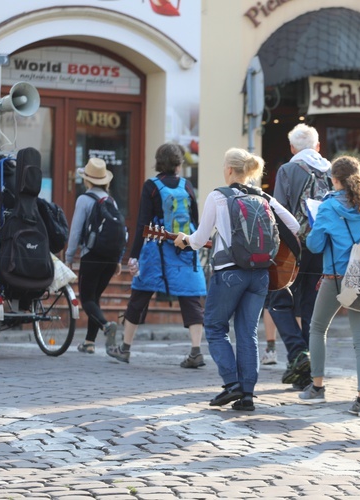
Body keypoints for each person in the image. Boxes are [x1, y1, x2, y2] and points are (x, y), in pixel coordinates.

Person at [174, 148, 299, 411]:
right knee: (247, 333)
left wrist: (184, 239)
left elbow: (198, 240)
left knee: (215, 326)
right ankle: (247, 396)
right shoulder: (263, 197)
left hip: (229, 272)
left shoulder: (218, 197)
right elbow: (294, 226)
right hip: (261, 274)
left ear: (229, 169)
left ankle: (231, 383)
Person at [106, 143, 207, 365]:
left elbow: (143, 222)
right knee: (191, 298)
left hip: (156, 250)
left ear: (158, 162)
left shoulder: (151, 186)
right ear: (179, 164)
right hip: (184, 250)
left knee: (139, 297)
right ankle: (196, 351)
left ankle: (125, 348)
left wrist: (133, 256)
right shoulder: (188, 186)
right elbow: (195, 221)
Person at [297, 155, 360, 417]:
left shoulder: (328, 207)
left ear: (334, 179)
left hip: (335, 277)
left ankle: (318, 388)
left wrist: (314, 226)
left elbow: (315, 245)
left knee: (318, 327)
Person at [269, 123, 332, 389]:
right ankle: (308, 372)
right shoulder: (331, 170)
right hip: (322, 245)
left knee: (278, 299)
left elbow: (277, 211)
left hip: (293, 247)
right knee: (310, 307)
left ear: (292, 148)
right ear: (318, 146)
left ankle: (297, 353)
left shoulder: (287, 169)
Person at [65, 159, 122, 354]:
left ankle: (106, 326)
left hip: (92, 256)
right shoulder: (110, 201)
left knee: (87, 298)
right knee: (94, 298)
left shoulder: (84, 200)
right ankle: (89, 342)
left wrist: (69, 257)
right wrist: (118, 259)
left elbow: (75, 231)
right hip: (111, 257)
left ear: (87, 181)